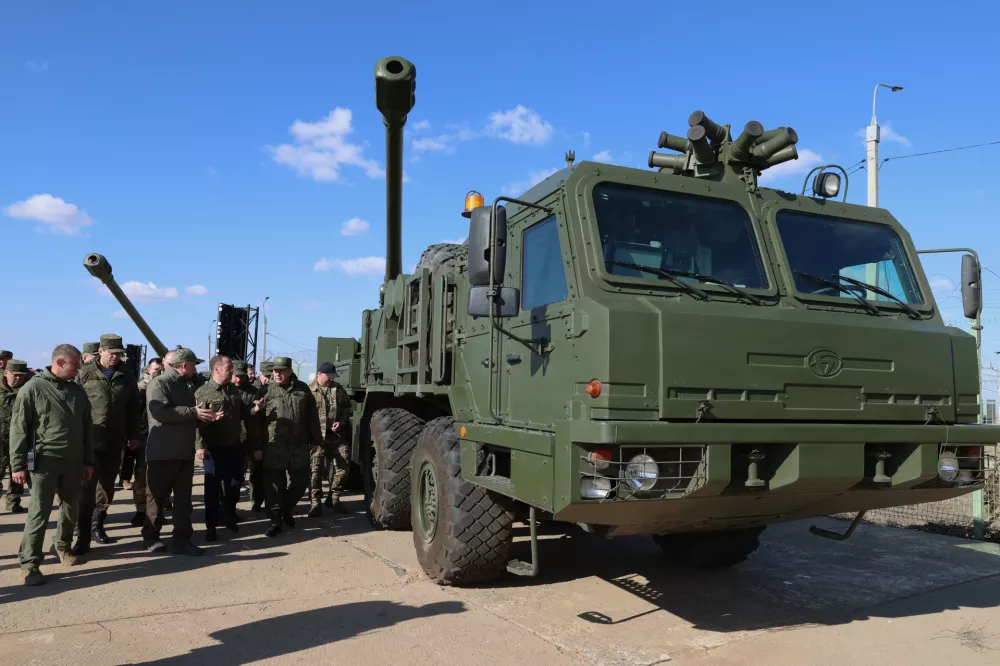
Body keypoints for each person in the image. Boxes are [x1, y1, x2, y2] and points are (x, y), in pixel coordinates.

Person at [10, 345, 94, 586]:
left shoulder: (77, 392)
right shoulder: (33, 388)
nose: (78, 369)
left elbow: (87, 428)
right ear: (59, 363)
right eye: (74, 364)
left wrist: (88, 461)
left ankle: (63, 546)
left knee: (71, 508)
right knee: (39, 512)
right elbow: (19, 429)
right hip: (44, 462)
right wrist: (17, 465)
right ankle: (30, 563)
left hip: (73, 461)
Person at [143, 348, 219, 555]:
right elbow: (159, 412)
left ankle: (182, 540)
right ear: (185, 365)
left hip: (183, 452)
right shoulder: (159, 384)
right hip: (162, 452)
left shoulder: (186, 386)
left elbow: (186, 416)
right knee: (156, 499)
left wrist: (204, 417)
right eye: (194, 364)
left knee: (184, 501)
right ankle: (151, 537)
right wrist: (194, 412)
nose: (196, 368)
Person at [74, 334, 141, 555]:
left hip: (115, 439)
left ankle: (97, 524)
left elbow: (132, 407)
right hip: (89, 439)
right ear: (100, 351)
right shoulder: (84, 373)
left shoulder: (126, 374)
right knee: (86, 484)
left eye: (118, 353)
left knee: (107, 484)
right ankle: (81, 530)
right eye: (111, 353)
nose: (115, 357)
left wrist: (133, 435)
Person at [254, 356, 320, 537]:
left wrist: (316, 439)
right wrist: (256, 446)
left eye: (281, 370)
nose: (277, 374)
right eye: (275, 370)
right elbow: (254, 422)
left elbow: (312, 416)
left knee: (301, 481)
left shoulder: (303, 389)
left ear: (290, 371)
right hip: (273, 446)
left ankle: (285, 509)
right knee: (273, 486)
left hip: (298, 445)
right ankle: (275, 521)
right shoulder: (265, 390)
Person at [194, 355, 258, 541]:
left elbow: (242, 413)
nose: (233, 372)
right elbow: (196, 423)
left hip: (234, 446)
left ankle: (227, 513)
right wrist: (199, 446)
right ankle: (211, 526)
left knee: (235, 484)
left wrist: (255, 410)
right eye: (229, 368)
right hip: (213, 448)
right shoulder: (203, 392)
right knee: (212, 490)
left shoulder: (233, 391)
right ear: (217, 370)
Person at [308, 362, 352, 516]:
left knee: (344, 465)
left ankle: (334, 499)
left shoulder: (339, 389)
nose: (331, 380)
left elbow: (347, 408)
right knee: (315, 471)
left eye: (333, 377)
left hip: (336, 436)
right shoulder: (309, 390)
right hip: (317, 438)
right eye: (329, 376)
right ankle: (315, 502)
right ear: (319, 374)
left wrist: (341, 421)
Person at [129, 357, 163, 527]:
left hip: (162, 437)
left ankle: (158, 509)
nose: (158, 372)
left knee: (161, 477)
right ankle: (141, 510)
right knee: (141, 476)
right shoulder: (140, 387)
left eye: (161, 369)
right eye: (155, 369)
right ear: (149, 370)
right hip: (144, 437)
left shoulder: (166, 386)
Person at [0, 360, 32, 513]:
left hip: (19, 439)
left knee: (17, 470)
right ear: (6, 373)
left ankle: (13, 501)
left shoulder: (28, 389)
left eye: (21, 376)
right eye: (15, 375)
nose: (18, 379)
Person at [247, 360, 273, 511]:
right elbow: (254, 422)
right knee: (257, 473)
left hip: (276, 440)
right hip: (261, 439)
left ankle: (271, 503)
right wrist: (256, 446)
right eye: (266, 376)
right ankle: (257, 501)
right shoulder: (258, 391)